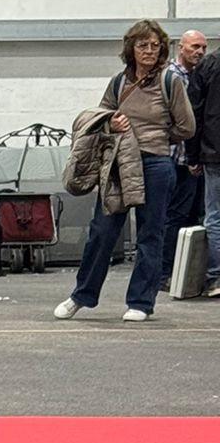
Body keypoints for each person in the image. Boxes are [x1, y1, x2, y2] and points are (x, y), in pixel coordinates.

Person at [55, 20, 193, 324]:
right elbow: (101, 115)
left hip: (156, 164)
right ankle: (82, 296)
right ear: (131, 48)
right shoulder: (119, 82)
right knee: (102, 231)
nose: (149, 50)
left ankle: (141, 302)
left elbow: (187, 127)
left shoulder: (171, 82)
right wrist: (110, 125)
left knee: (150, 234)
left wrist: (157, 135)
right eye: (142, 45)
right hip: (118, 164)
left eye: (155, 45)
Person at [162, 28, 208, 283]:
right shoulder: (170, 77)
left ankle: (185, 275)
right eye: (194, 47)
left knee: (191, 217)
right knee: (172, 217)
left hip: (191, 159)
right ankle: (164, 273)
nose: (199, 52)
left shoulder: (199, 75)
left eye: (202, 47)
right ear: (180, 47)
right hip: (172, 157)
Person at [183, 39, 220, 296]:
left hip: (214, 153)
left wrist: (192, 156)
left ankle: (217, 277)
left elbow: (194, 113)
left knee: (215, 217)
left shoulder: (208, 65)